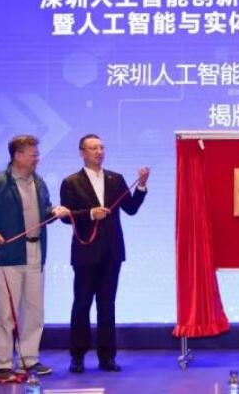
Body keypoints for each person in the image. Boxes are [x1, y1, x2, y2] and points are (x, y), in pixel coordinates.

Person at [0, 135, 69, 383]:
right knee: (6, 313)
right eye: (33, 154)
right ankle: (2, 364)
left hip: (35, 253)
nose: (37, 159)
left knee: (34, 311)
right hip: (6, 256)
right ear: (18, 156)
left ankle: (28, 359)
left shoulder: (38, 182)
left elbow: (43, 211)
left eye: (37, 154)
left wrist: (54, 212)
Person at [60, 134, 149, 373]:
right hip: (85, 252)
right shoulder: (71, 182)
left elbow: (131, 208)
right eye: (93, 148)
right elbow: (65, 218)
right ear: (82, 152)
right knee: (82, 304)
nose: (99, 152)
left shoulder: (115, 179)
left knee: (107, 305)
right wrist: (91, 213)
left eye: (101, 147)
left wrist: (141, 185)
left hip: (111, 252)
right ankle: (77, 356)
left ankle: (107, 357)